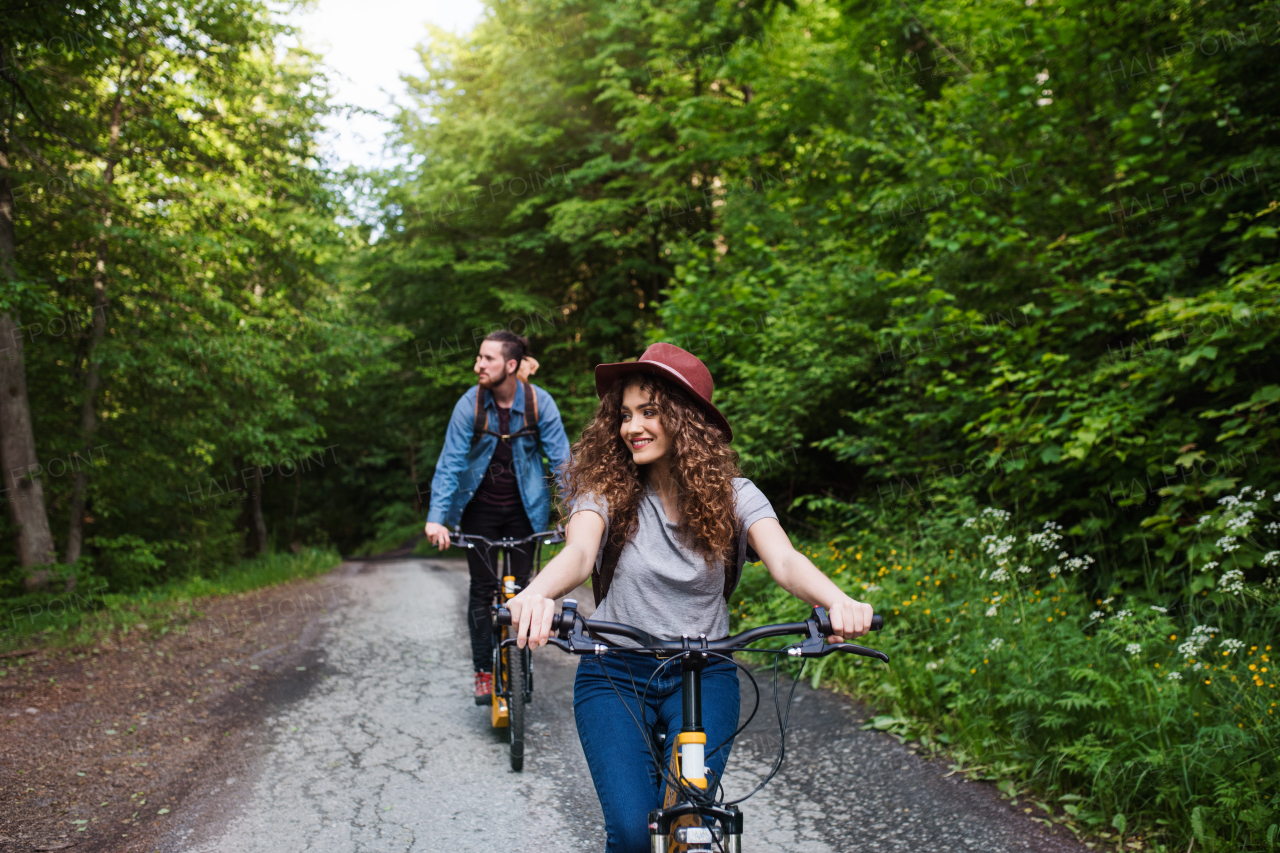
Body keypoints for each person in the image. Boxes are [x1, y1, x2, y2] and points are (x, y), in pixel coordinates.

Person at [505, 342, 874, 853]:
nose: (632, 427)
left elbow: (785, 562)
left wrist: (838, 601)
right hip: (616, 674)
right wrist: (536, 594)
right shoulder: (606, 491)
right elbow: (579, 553)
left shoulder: (736, 495)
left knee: (691, 820)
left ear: (687, 419)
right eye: (626, 414)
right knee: (635, 835)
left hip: (705, 675)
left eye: (650, 412)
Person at [424, 331, 571, 703]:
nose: (478, 365)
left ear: (510, 365)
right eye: (478, 358)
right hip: (479, 512)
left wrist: (574, 515)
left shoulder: (540, 404)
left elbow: (563, 464)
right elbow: (451, 463)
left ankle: (518, 663)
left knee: (524, 591)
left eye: (486, 359)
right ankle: (483, 672)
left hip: (527, 510)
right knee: (482, 590)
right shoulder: (469, 404)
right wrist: (437, 517)